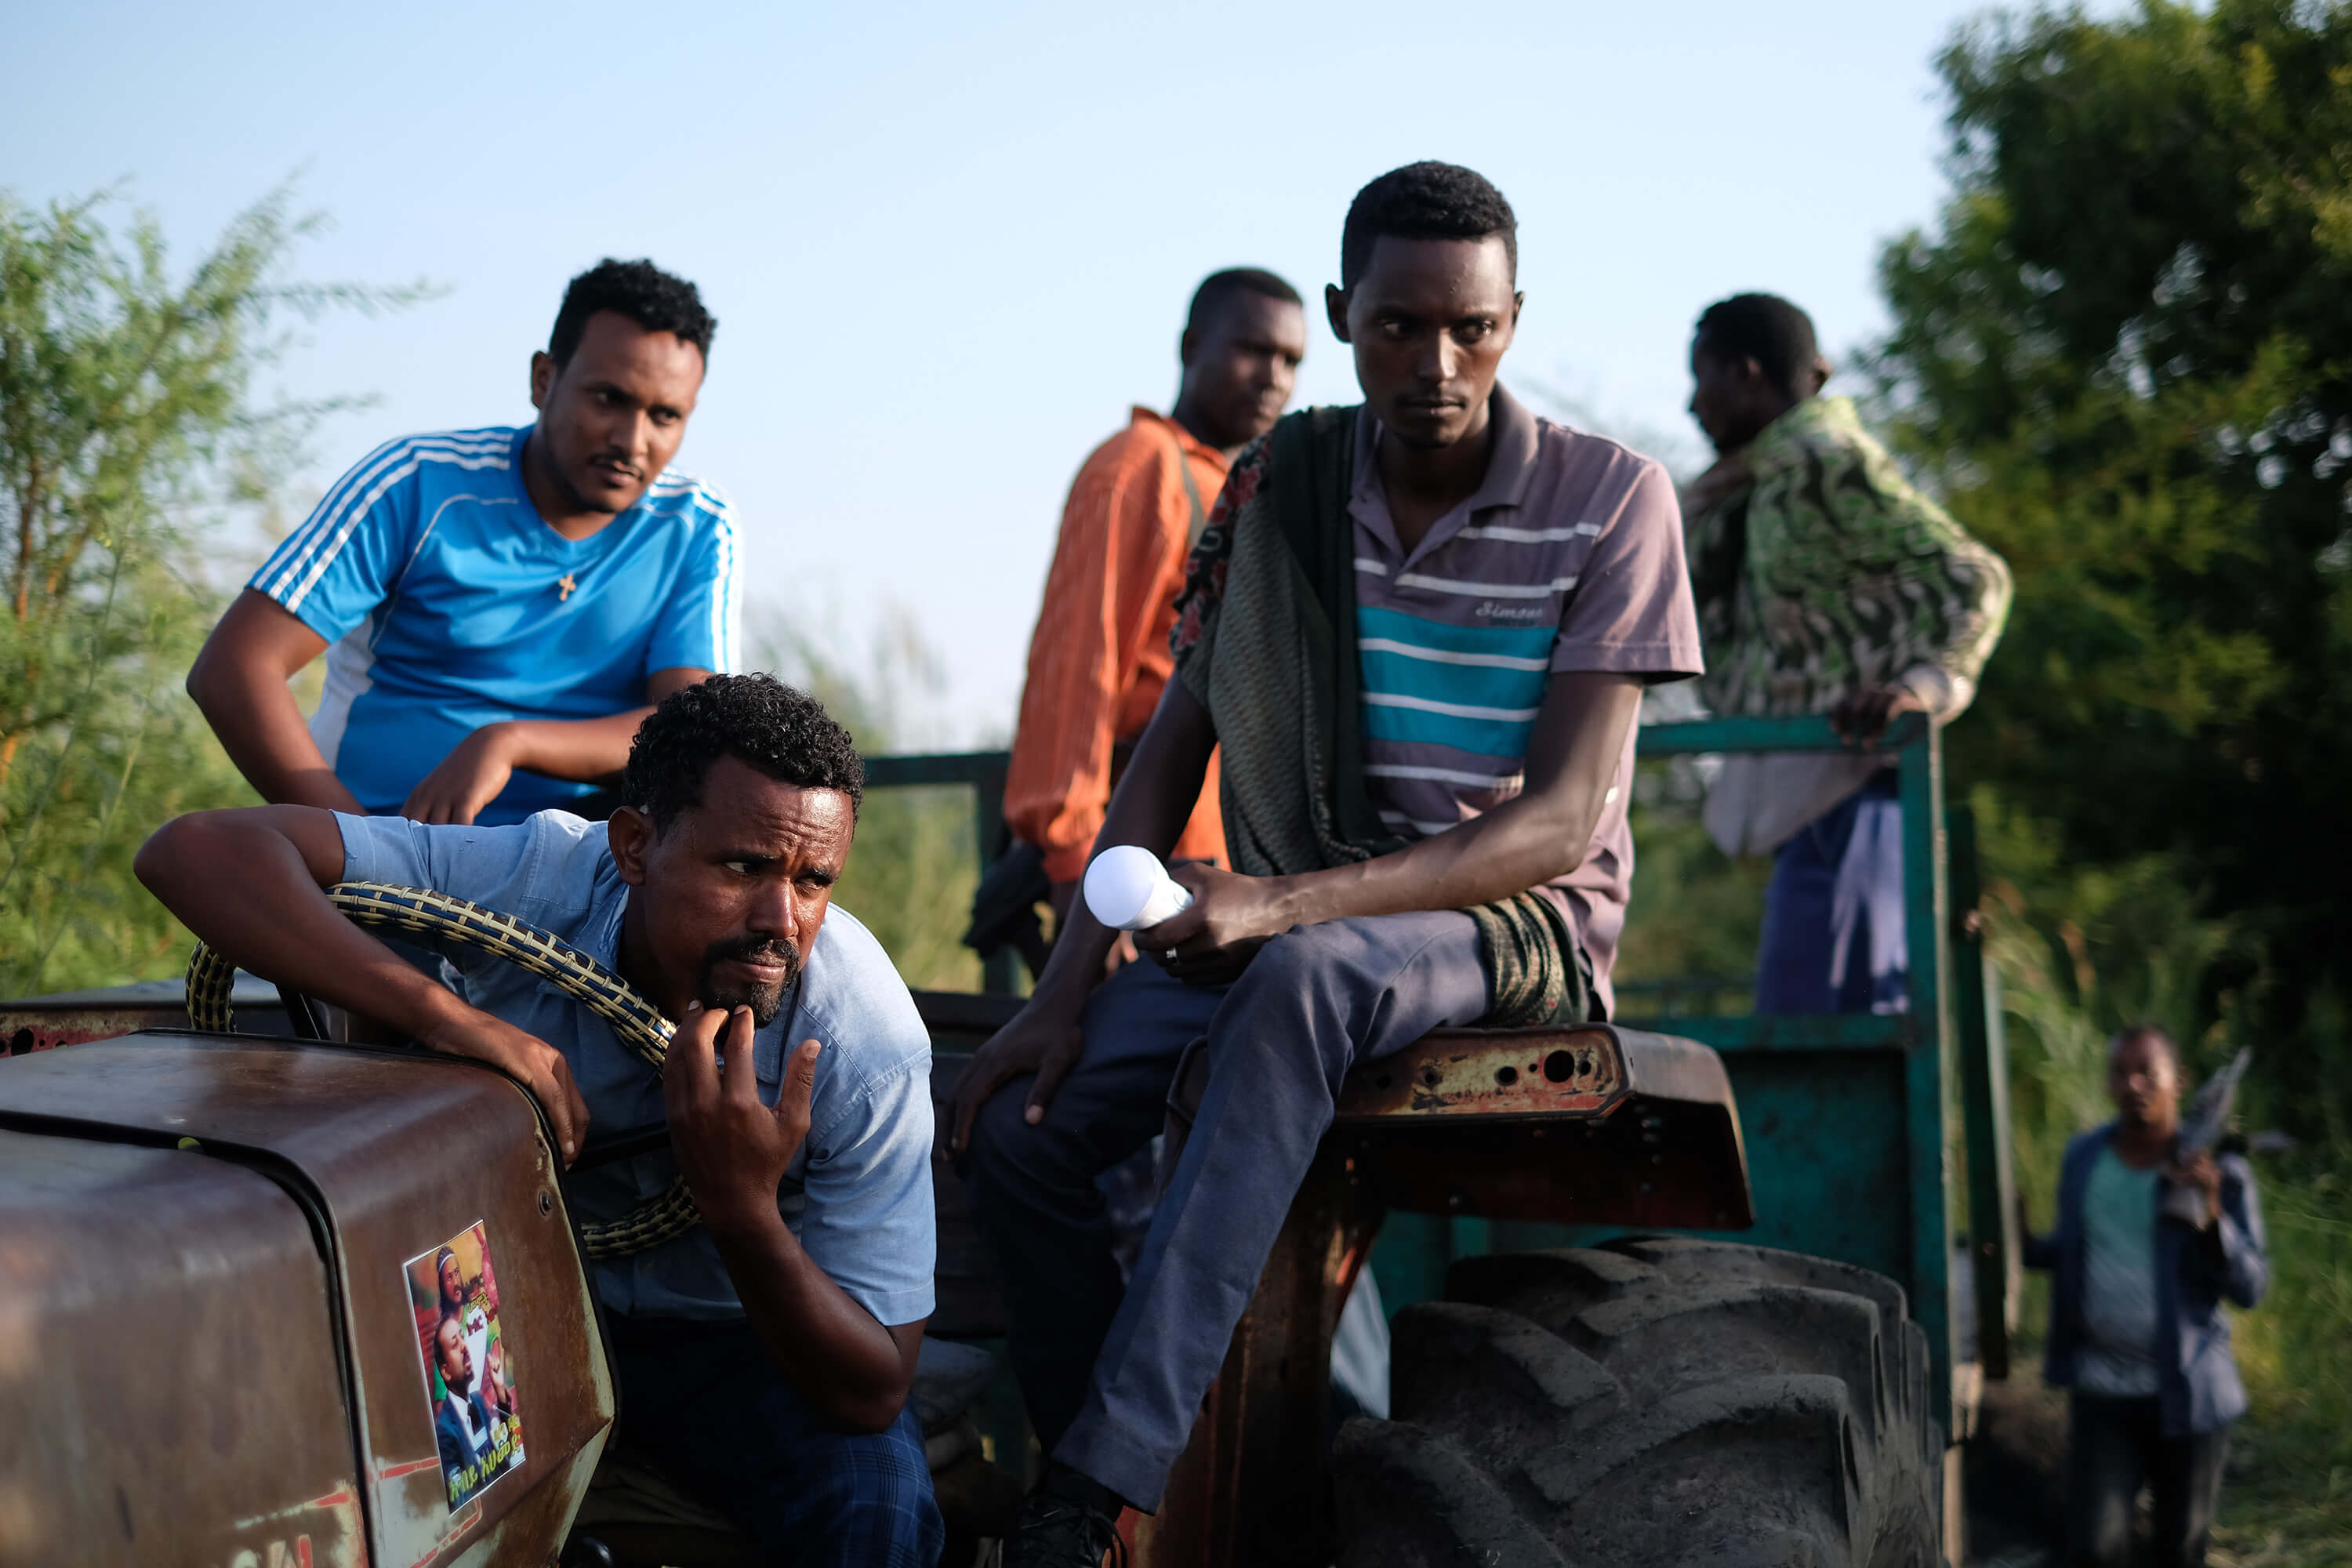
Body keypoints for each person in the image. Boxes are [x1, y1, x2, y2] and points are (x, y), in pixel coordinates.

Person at [950, 162, 1703, 1564]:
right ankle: (1099, 1490)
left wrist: (1278, 904)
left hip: (1507, 924)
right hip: (1305, 912)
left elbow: (1559, 825)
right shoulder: (1280, 483)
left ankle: (1092, 1489)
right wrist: (1063, 989)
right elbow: (1172, 746)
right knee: (1020, 1134)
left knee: (1299, 976)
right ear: (1349, 314)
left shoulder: (1616, 501)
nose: (1438, 364)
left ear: (1515, 319)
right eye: (1402, 327)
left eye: (1472, 329)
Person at [136, 675, 942, 1566]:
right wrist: (456, 1020)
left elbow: (872, 1387)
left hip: (743, 1344)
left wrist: (741, 1206)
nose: (780, 920)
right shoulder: (530, 879)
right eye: (744, 866)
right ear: (634, 846)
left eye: (814, 879)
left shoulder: (860, 1044)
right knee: (311, 1469)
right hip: (513, 1313)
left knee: (881, 1503)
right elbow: (196, 850)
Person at [187, 258, 739, 828]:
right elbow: (233, 668)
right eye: (608, 399)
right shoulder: (417, 483)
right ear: (544, 380)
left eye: (665, 416)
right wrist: (369, 852)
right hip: (377, 843)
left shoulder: (695, 524)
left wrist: (510, 742)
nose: (632, 440)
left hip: (578, 861)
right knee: (190, 853)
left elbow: (689, 734)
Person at [1678, 292, 2012, 1013]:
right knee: (1819, 1037)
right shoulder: (1758, 481)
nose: (1690, 405)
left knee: (1829, 1053)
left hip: (1857, 791)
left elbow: (1977, 579)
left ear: (1744, 373)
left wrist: (1922, 687)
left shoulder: (1823, 462)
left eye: (1700, 377)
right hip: (1816, 798)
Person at [989, 268, 1309, 952]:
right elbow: (1077, 672)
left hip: (1227, 863)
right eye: (1253, 350)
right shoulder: (1140, 467)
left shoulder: (1242, 481)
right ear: (1193, 346)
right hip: (1138, 866)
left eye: (1291, 361)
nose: (1273, 378)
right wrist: (1078, 873)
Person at [2022, 1027, 2267, 1568]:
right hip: (2103, 1391)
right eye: (2120, 1073)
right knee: (2094, 1548)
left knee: (2179, 1551)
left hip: (2191, 1395)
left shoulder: (2221, 1173)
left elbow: (2251, 1287)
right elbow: (2075, 1250)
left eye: (2147, 1073)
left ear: (2177, 1082)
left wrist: (2212, 1215)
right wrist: (2023, 1241)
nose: (2133, 1085)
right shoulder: (2084, 1159)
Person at [430, 1313, 512, 1504]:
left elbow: (505, 1458)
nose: (465, 1347)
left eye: (462, 1337)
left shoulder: (477, 1401)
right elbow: (461, 1503)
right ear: (445, 1372)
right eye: (454, 1344)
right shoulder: (444, 1431)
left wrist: (500, 1392)